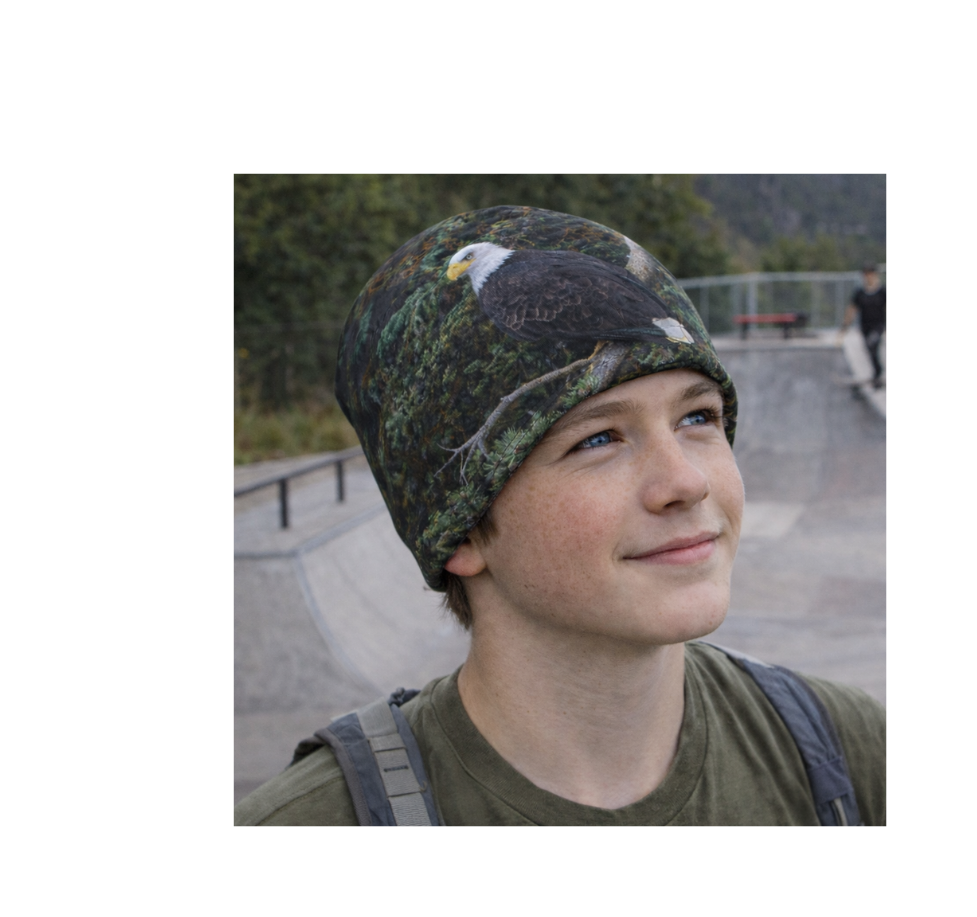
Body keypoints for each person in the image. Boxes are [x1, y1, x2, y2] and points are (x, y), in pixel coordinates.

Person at [233, 206, 887, 827]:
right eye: (597, 439)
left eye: (698, 417)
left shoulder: (848, 754)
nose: (687, 482)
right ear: (460, 530)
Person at [840, 265, 888, 388]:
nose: (868, 277)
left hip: (878, 325)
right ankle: (877, 373)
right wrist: (845, 324)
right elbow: (852, 309)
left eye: (870, 274)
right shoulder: (860, 293)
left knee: (873, 343)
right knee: (869, 349)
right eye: (865, 275)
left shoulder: (882, 292)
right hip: (865, 326)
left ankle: (878, 372)